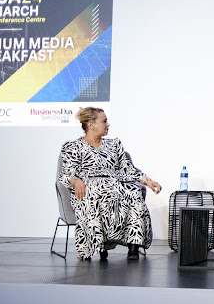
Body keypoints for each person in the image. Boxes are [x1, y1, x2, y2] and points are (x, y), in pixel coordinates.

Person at [59, 107, 162, 261]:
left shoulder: (114, 144)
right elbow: (66, 173)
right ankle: (101, 244)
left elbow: (127, 169)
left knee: (133, 192)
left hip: (114, 184)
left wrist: (148, 181)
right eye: (104, 121)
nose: (108, 125)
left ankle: (133, 246)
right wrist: (76, 180)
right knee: (99, 194)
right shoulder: (73, 147)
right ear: (91, 124)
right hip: (89, 187)